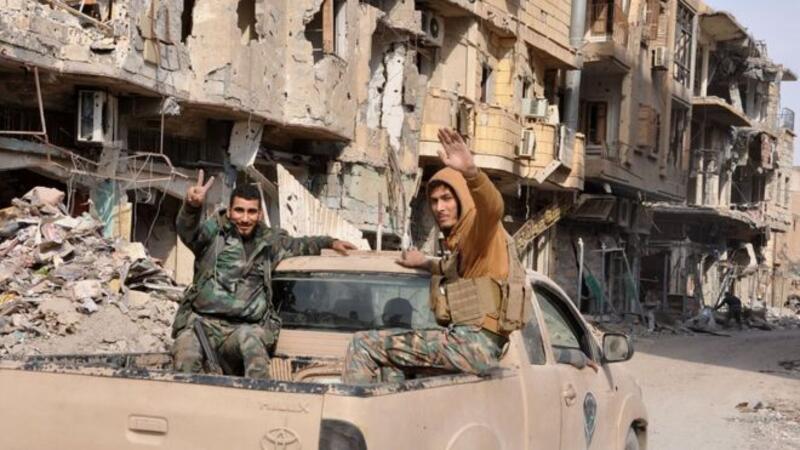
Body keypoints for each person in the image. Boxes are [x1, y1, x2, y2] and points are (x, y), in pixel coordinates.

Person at [342, 128, 532, 384]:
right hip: (477, 347)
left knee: (363, 344)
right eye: (434, 201)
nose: (439, 207)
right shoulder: (463, 244)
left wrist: (471, 173)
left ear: (463, 199)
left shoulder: (480, 230)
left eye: (447, 199)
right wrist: (423, 262)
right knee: (393, 365)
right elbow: (447, 267)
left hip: (470, 345)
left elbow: (493, 207)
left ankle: (353, 409)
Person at [171, 171, 356, 378]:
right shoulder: (214, 234)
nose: (245, 218)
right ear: (229, 212)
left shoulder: (270, 242)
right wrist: (192, 207)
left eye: (251, 212)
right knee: (185, 352)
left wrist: (330, 242)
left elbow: (300, 244)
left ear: (259, 215)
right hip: (202, 324)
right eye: (239, 210)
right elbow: (188, 232)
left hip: (243, 328)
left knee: (254, 349)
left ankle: (258, 397)